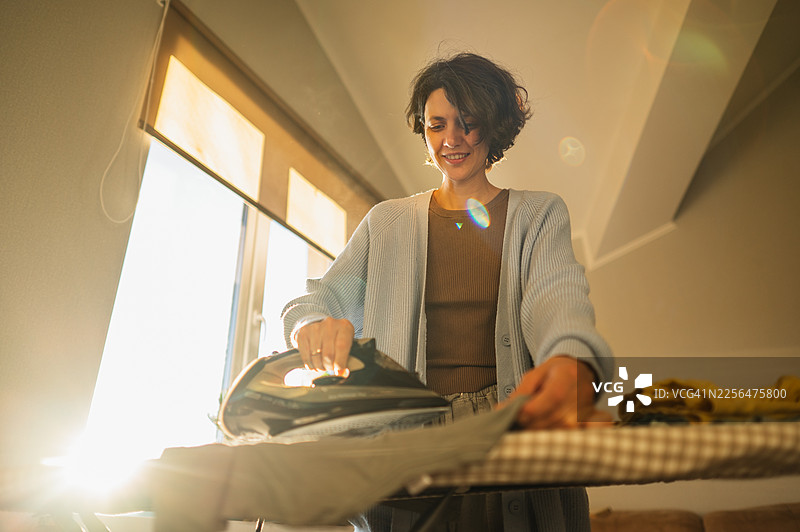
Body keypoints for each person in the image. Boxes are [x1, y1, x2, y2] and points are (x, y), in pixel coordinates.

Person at [282, 52, 614, 531]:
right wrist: (315, 326)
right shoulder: (386, 223)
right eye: (437, 125)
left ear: (495, 127)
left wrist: (570, 358)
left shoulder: (539, 215)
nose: (451, 140)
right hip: (407, 455)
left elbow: (556, 299)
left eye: (467, 123)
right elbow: (316, 301)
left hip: (508, 442)